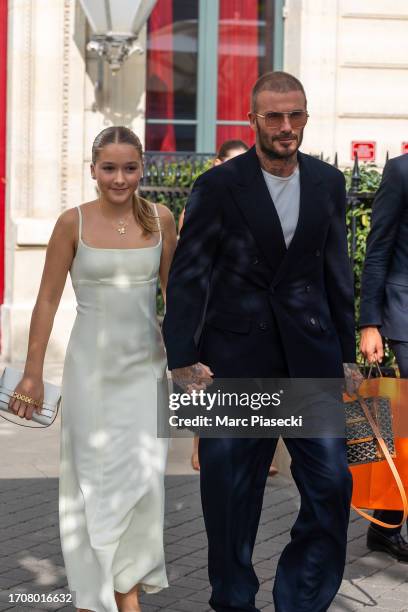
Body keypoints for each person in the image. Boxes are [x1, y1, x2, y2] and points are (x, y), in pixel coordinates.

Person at [163, 71, 357, 612]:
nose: (286, 126)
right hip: (234, 362)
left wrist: (346, 352)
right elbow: (188, 275)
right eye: (274, 116)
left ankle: (300, 599)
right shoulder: (219, 186)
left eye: (296, 114)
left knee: (333, 486)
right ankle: (233, 598)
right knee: (229, 495)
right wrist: (182, 358)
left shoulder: (328, 182)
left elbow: (338, 273)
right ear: (252, 120)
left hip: (310, 360)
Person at [8, 126, 177, 612]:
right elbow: (46, 301)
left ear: (143, 168)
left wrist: (191, 363)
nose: (119, 178)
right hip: (91, 375)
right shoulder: (72, 223)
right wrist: (33, 373)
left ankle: (126, 591)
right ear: (93, 170)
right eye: (109, 168)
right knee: (94, 484)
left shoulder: (161, 220)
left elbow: (179, 299)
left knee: (143, 483)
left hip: (146, 373)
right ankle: (95, 597)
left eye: (129, 167)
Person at [360, 153, 408, 561]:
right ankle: (387, 522)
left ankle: (385, 522)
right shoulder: (401, 171)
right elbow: (378, 249)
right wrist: (369, 323)